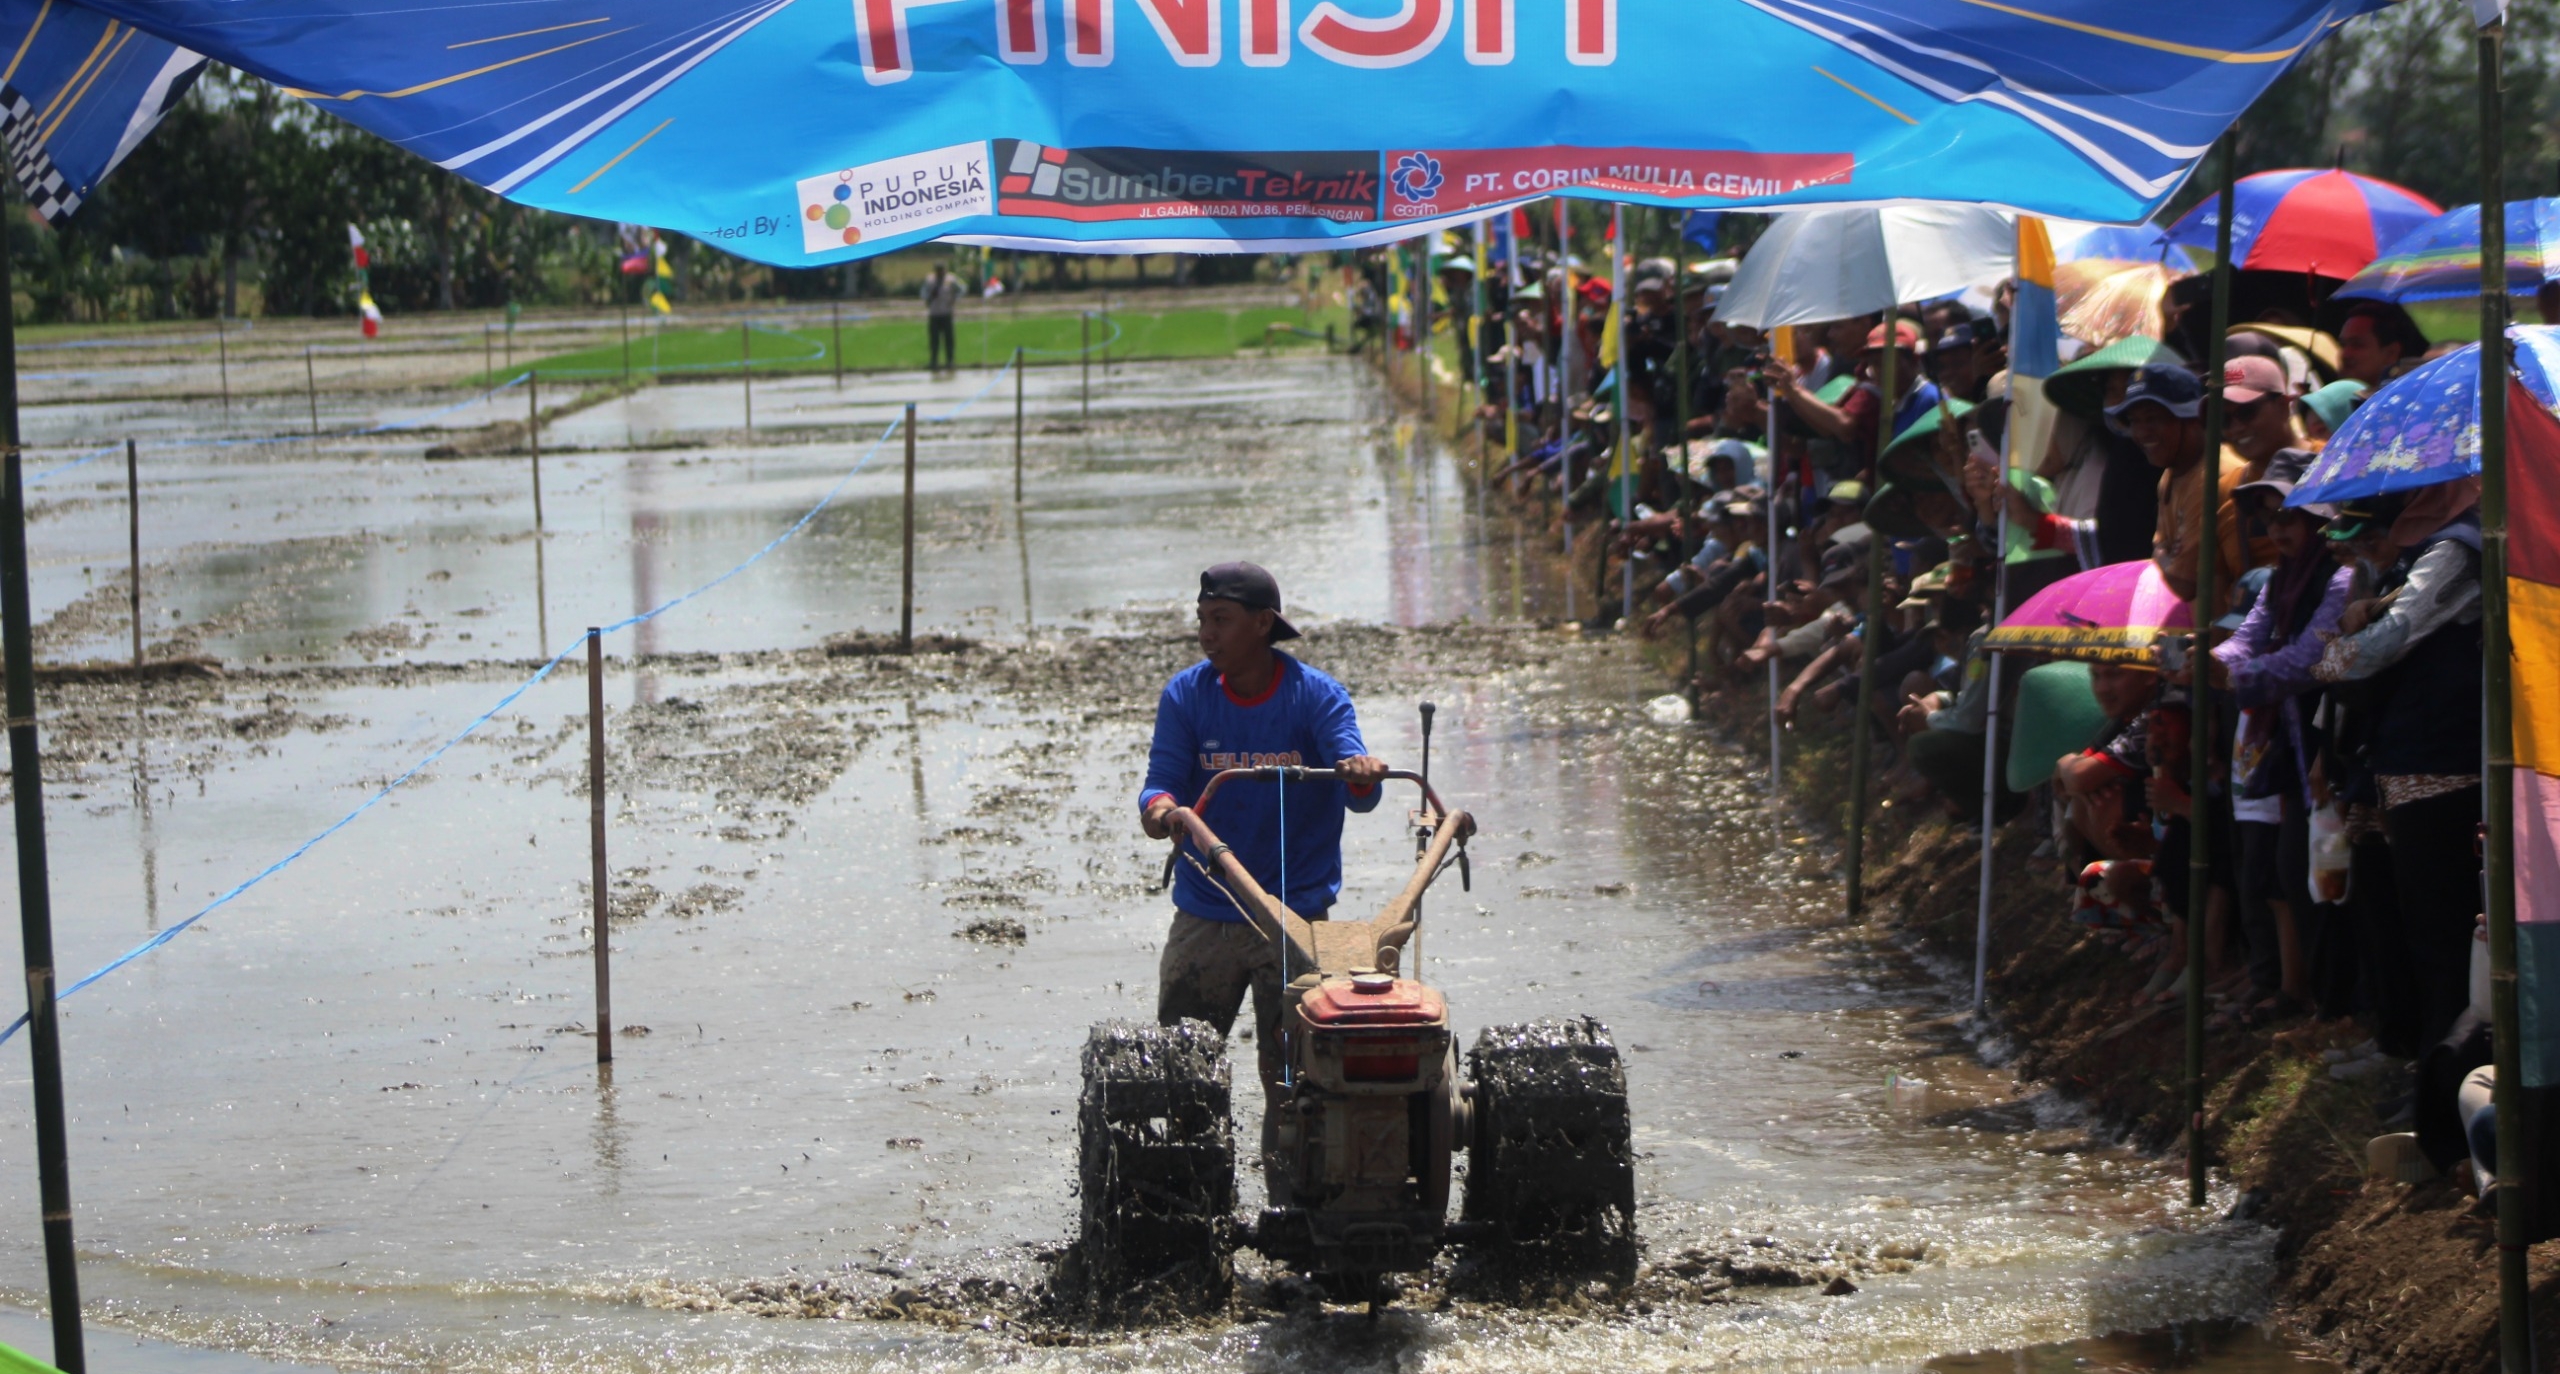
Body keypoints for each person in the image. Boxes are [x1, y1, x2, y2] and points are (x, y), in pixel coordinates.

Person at [1139, 563, 1388, 1096]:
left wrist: (1360, 772)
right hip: (1208, 909)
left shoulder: (1316, 696)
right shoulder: (1186, 696)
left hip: (1296, 917)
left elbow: (1360, 788)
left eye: (1221, 619)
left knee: (1297, 1085)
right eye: (1202, 619)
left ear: (1261, 623)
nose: (1207, 634)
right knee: (1180, 1071)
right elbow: (1161, 783)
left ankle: (1288, 1144)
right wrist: (1161, 811)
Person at [2109, 361, 2247, 611]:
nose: (2142, 432)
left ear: (2193, 418)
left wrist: (2162, 555)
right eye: (2134, 421)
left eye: (2153, 419)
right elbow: (2165, 557)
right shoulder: (2171, 472)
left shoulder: (2214, 477)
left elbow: (2183, 584)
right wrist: (2164, 556)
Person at [922, 262, 960, 371]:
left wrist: (954, 299)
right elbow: (923, 292)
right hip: (934, 313)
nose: (940, 273)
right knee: (934, 340)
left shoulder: (951, 280)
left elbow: (961, 289)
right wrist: (927, 298)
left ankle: (950, 362)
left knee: (949, 340)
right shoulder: (930, 280)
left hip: (946, 313)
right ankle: (934, 362)